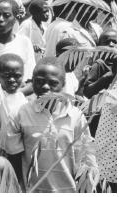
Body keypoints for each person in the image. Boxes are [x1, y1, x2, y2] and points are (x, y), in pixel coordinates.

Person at [7, 57, 98, 192]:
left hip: (68, 189)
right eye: (39, 82)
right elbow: (14, 156)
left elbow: (85, 156)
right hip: (33, 189)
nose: (45, 86)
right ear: (32, 82)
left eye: (53, 83)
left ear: (63, 84)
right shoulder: (21, 114)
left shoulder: (75, 116)